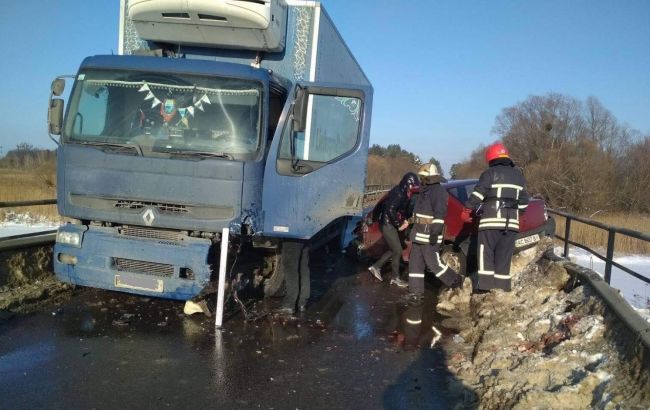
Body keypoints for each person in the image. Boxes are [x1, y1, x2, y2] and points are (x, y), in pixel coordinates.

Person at [461, 142, 529, 292]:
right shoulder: (518, 176)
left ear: (491, 159)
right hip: (511, 224)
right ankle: (502, 289)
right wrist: (519, 215)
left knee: (486, 253)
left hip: (491, 221)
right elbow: (524, 200)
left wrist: (466, 210)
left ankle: (485, 289)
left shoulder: (489, 174)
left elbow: (478, 194)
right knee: (504, 257)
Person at [407, 163, 462, 296]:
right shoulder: (423, 191)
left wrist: (435, 232)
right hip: (418, 236)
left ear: (430, 177)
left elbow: (439, 215)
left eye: (423, 177)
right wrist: (409, 224)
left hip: (430, 236)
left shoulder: (439, 192)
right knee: (415, 266)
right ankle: (416, 294)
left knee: (434, 264)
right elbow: (419, 214)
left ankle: (456, 280)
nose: (421, 179)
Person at [368, 172, 419, 288]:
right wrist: (399, 224)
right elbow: (390, 210)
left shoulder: (403, 192)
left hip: (389, 223)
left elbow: (400, 210)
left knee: (394, 249)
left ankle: (376, 267)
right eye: (412, 185)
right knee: (398, 250)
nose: (413, 187)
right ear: (407, 183)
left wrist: (406, 219)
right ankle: (395, 278)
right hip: (387, 224)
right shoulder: (399, 193)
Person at [275, 240, 311, 315]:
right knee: (303, 267)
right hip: (305, 235)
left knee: (291, 268)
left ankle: (289, 304)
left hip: (292, 237)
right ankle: (301, 303)